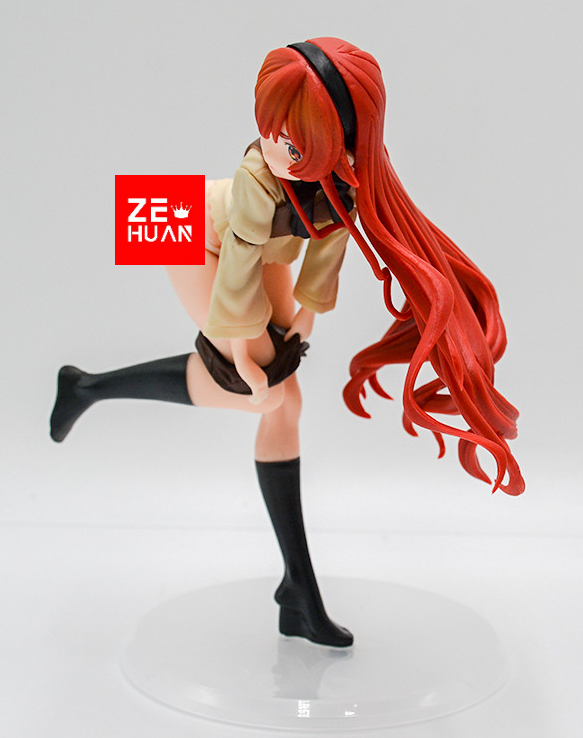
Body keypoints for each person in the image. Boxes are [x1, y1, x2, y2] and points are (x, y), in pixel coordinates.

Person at [50, 37, 524, 649]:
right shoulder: (259, 176)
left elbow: (327, 250)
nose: (273, 149)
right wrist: (239, 357)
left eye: (294, 145)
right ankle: (88, 389)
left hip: (258, 246)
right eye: (269, 130)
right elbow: (236, 267)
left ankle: (296, 589)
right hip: (191, 231)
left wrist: (306, 317)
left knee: (285, 404)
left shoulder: (345, 182)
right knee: (263, 394)